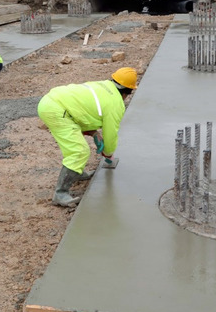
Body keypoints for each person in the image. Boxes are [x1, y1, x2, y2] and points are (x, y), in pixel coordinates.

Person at [37, 67, 139, 207]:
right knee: (79, 150)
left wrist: (94, 133)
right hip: (56, 110)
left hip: (52, 101)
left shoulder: (102, 84)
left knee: (75, 146)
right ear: (128, 92)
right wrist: (108, 155)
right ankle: (60, 194)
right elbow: (110, 134)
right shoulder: (115, 103)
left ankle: (76, 173)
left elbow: (84, 111)